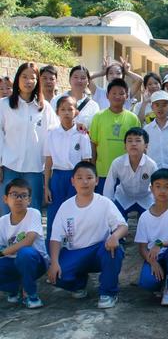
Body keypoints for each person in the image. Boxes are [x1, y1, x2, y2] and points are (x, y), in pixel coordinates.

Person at [48, 162, 128, 309]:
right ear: (72, 181)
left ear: (96, 180)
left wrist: (115, 236)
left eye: (89, 177)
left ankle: (108, 293)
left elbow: (123, 226)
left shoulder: (104, 203)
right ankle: (79, 284)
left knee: (115, 250)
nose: (84, 182)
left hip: (99, 251)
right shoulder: (65, 206)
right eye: (79, 178)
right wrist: (54, 262)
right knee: (56, 275)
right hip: (75, 253)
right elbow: (55, 238)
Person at [0, 62, 59, 213]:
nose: (28, 81)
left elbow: (56, 133)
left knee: (33, 212)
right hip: (9, 167)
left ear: (37, 81)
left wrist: (78, 127)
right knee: (7, 212)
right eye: (24, 77)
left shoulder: (44, 107)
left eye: (32, 78)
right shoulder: (4, 105)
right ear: (17, 79)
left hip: (34, 169)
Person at [135, 168, 168, 306]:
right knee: (147, 283)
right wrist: (152, 262)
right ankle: (160, 281)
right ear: (151, 189)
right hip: (154, 257)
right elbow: (142, 248)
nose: (162, 191)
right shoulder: (144, 217)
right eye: (158, 186)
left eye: (167, 186)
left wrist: (160, 244)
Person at [44, 96, 92, 244]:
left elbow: (86, 161)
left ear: (76, 112)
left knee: (75, 213)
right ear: (57, 112)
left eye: (70, 109)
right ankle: (51, 248)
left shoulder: (82, 135)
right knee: (54, 213)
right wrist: (46, 186)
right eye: (62, 109)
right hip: (58, 177)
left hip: (76, 178)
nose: (66, 113)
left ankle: (76, 245)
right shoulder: (51, 133)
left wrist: (84, 182)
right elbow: (48, 161)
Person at [0, 178, 49, 309]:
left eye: (23, 195)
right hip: (12, 262)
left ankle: (31, 294)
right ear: (5, 199)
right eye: (14, 195)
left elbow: (28, 241)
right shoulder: (2, 221)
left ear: (29, 200)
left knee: (25, 253)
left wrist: (3, 252)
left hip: (35, 262)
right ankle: (14, 287)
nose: (19, 199)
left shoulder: (33, 213)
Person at [89, 78, 141, 194]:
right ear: (107, 95)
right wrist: (92, 169)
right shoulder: (98, 116)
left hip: (126, 173)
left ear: (127, 96)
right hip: (103, 172)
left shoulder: (133, 118)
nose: (117, 96)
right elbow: (93, 145)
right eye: (114, 93)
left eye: (121, 93)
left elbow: (138, 146)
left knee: (123, 208)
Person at [103, 128, 157, 221]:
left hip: (145, 198)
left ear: (146, 146)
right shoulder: (117, 163)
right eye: (130, 141)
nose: (133, 144)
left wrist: (157, 205)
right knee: (114, 220)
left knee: (151, 220)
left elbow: (157, 187)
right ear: (125, 146)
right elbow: (109, 186)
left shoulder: (151, 165)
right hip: (123, 197)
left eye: (138, 140)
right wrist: (108, 206)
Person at [144, 90, 168, 170]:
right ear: (152, 107)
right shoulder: (146, 129)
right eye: (157, 105)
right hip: (152, 172)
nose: (160, 108)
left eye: (164, 105)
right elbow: (144, 152)